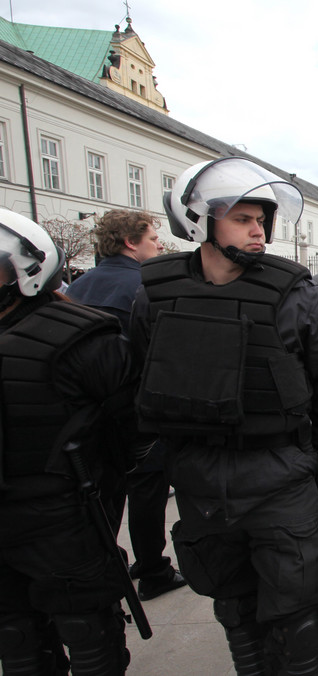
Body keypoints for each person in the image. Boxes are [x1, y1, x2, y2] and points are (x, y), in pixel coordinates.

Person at [133, 157, 318, 675]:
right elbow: (141, 378)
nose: (258, 229)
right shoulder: (153, 295)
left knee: (297, 612)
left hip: (280, 474)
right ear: (200, 220)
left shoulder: (301, 297)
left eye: (263, 219)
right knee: (234, 606)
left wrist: (309, 449)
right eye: (242, 217)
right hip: (199, 478)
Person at [0, 208, 143, 674]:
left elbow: (130, 425)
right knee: (17, 640)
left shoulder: (84, 337)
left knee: (88, 637)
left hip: (64, 519)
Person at [65, 209, 187, 602]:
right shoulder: (144, 287)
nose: (159, 244)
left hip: (83, 415)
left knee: (102, 497)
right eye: (153, 237)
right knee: (147, 489)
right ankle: (152, 569)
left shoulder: (78, 287)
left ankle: (103, 569)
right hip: (135, 410)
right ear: (130, 242)